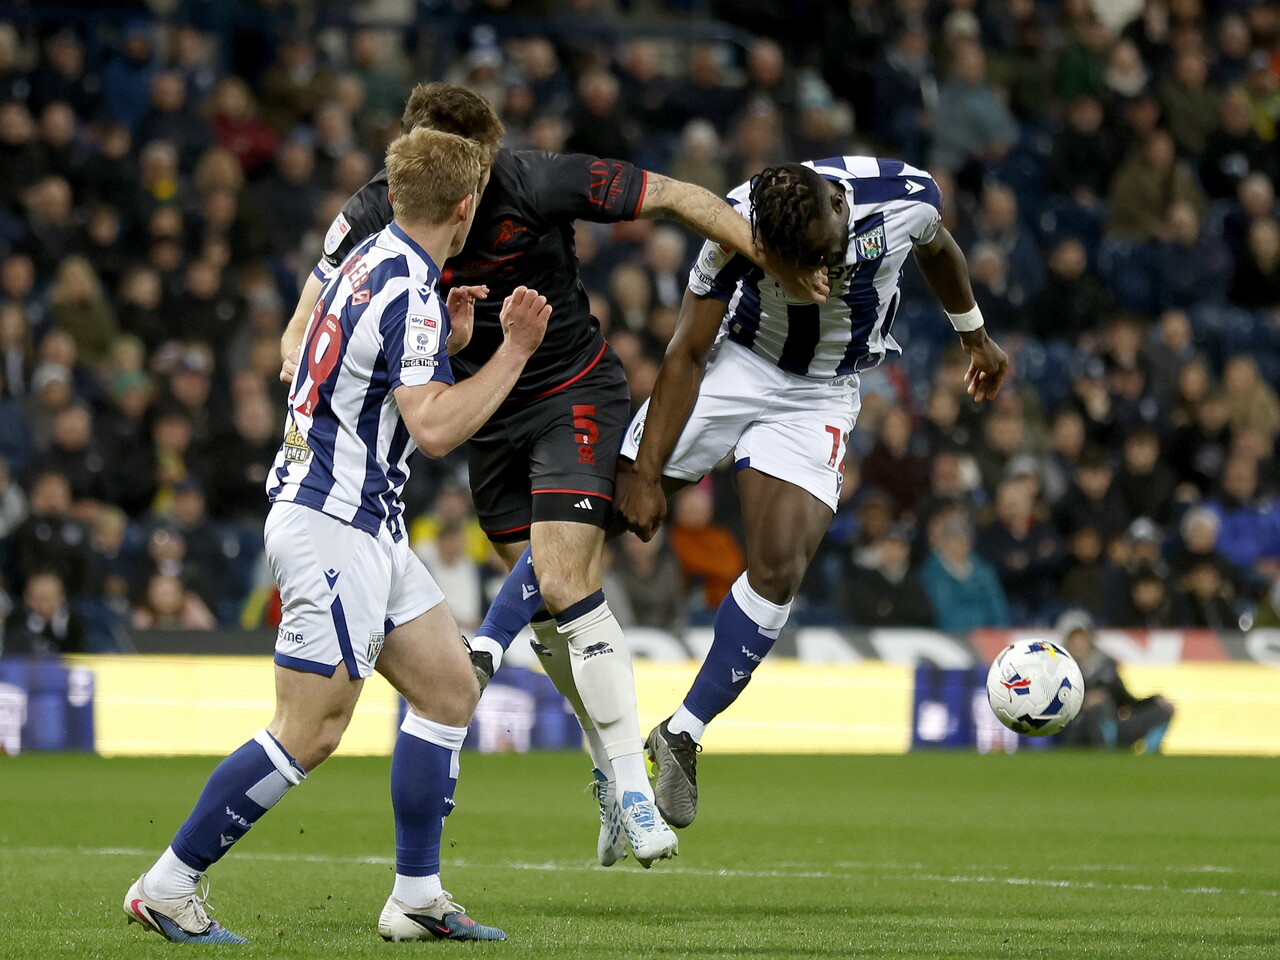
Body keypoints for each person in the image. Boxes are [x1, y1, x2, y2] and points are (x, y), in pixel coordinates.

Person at [280, 83, 822, 866]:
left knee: (565, 579)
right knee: (553, 624)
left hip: (571, 388)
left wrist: (771, 257)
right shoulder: (380, 205)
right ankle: (611, 771)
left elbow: (674, 195)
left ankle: (635, 792)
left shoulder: (538, 181)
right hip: (484, 412)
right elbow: (308, 313)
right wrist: (303, 365)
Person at [124, 127, 547, 945]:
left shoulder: (367, 259)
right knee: (312, 727)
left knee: (449, 688)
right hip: (331, 524)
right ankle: (168, 885)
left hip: (365, 523)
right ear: (465, 209)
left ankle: (416, 896)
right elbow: (431, 430)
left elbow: (366, 377)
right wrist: (512, 353)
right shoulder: (412, 292)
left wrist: (451, 348)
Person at [616, 157, 1009, 827]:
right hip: (735, 360)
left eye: (827, 260)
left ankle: (681, 732)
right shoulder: (737, 222)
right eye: (804, 268)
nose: (821, 280)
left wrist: (973, 334)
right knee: (606, 501)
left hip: (820, 390)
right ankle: (487, 647)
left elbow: (937, 245)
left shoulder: (905, 200)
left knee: (779, 570)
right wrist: (649, 475)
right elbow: (685, 349)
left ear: (839, 207)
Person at [1058, 610, 1175, 753]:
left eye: (1081, 637)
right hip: (1075, 731)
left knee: (1163, 709)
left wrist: (1153, 700)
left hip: (1111, 726)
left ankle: (1148, 756)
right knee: (1097, 709)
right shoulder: (1059, 670)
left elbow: (1125, 701)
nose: (1078, 643)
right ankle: (1106, 754)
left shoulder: (1106, 665)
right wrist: (1083, 702)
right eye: (1073, 638)